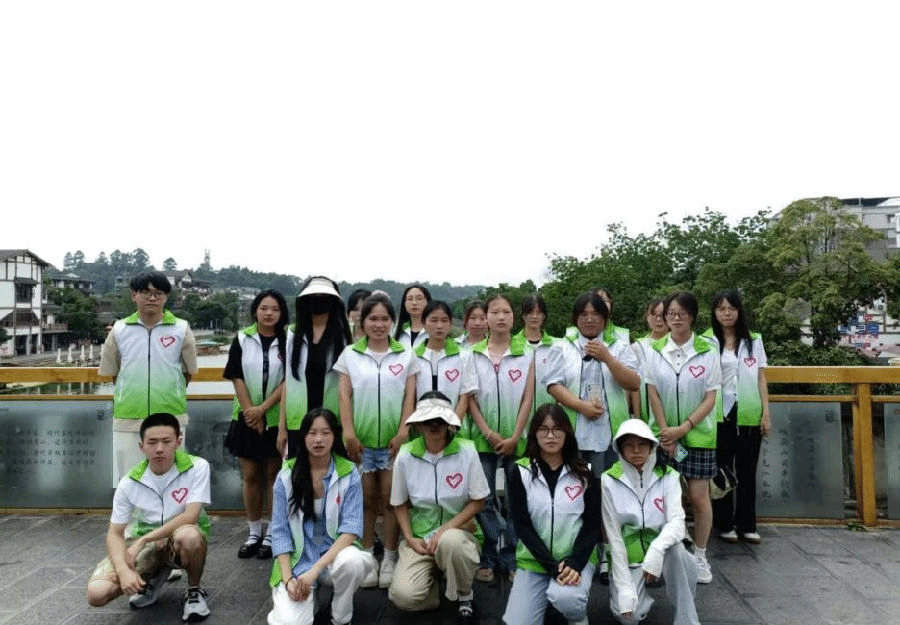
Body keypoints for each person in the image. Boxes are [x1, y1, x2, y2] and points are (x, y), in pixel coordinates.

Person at [86, 413, 212, 622]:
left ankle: (194, 591)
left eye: (166, 441)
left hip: (178, 539)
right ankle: (153, 578)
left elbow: (190, 516)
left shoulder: (197, 467)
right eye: (152, 442)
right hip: (146, 545)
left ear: (178, 442)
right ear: (141, 446)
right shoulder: (129, 482)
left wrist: (145, 539)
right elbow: (115, 533)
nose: (159, 448)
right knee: (97, 594)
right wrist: (123, 571)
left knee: (189, 536)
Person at [335, 293, 418, 588]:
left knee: (392, 500)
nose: (379, 324)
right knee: (366, 501)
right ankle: (368, 555)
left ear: (392, 321)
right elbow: (344, 396)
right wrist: (348, 433)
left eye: (384, 319)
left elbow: (410, 396)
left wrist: (404, 430)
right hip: (362, 442)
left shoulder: (406, 354)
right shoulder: (350, 355)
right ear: (362, 321)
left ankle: (391, 557)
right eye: (373, 319)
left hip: (395, 442)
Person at [266, 408, 375, 625]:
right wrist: (288, 580)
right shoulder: (286, 475)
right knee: (290, 623)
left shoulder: (349, 472)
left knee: (353, 562)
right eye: (312, 433)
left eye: (326, 433)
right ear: (303, 436)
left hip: (332, 558)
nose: (318, 440)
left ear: (335, 437)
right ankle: (308, 598)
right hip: (299, 563)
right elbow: (279, 532)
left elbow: (352, 528)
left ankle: (341, 616)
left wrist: (315, 570)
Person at [389, 392, 489, 623]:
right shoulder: (405, 455)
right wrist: (410, 538)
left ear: (449, 423)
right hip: (420, 539)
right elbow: (399, 503)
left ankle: (464, 593)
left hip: (460, 532)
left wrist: (446, 529)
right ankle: (435, 585)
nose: (434, 426)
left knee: (451, 542)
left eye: (440, 420)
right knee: (403, 597)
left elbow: (479, 499)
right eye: (428, 421)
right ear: (419, 424)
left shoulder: (467, 451)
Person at [644, 291, 720, 584]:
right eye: (671, 314)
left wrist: (684, 428)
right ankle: (666, 554)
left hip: (698, 436)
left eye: (682, 313)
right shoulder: (655, 349)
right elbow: (652, 392)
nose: (676, 318)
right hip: (663, 437)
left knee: (699, 498)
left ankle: (700, 555)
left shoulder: (707, 350)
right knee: (665, 499)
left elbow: (710, 398)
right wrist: (666, 431)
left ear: (692, 316)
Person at [503, 404, 601, 625]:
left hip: (574, 560)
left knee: (567, 599)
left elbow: (592, 524)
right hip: (534, 562)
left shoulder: (585, 472)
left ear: (567, 433)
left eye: (557, 429)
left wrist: (575, 562)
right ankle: (546, 602)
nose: (550, 436)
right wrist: (551, 566)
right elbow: (521, 524)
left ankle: (577, 617)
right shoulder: (520, 471)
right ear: (534, 433)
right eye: (543, 429)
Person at [99, 271, 198, 487]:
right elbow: (114, 371)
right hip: (128, 415)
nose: (152, 298)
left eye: (158, 293)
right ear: (134, 295)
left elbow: (189, 370)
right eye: (145, 292)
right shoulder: (119, 329)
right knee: (128, 481)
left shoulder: (181, 328)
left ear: (166, 296)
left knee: (172, 481)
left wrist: (171, 391)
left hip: (170, 415)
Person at [602, 419, 700, 625]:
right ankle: (640, 598)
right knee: (628, 616)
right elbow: (614, 537)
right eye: (629, 445)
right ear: (620, 448)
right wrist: (626, 589)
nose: (636, 450)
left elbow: (677, 522)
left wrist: (656, 550)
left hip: (663, 554)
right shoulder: (609, 480)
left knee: (678, 551)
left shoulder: (669, 476)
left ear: (652, 446)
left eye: (642, 444)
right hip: (629, 559)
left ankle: (686, 619)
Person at [466, 293, 536, 582]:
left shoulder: (526, 353)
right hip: (482, 440)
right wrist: (487, 432)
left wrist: (515, 436)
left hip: (517, 440)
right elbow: (470, 398)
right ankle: (494, 552)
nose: (500, 317)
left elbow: (527, 398)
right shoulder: (473, 354)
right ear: (486, 318)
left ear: (513, 317)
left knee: (516, 501)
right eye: (494, 312)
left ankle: (509, 557)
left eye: (506, 311)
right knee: (483, 499)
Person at [223, 289, 288, 560]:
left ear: (282, 313)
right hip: (245, 416)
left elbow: (289, 380)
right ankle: (253, 532)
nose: (269, 313)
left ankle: (272, 532)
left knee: (274, 476)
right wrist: (251, 411)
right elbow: (236, 375)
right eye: (264, 308)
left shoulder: (288, 340)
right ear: (255, 311)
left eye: (275, 309)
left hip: (275, 417)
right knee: (250, 476)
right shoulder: (242, 338)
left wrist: (263, 410)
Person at [547, 291, 640, 477]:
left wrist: (608, 358)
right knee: (573, 483)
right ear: (575, 318)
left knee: (606, 484)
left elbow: (634, 383)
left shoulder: (619, 346)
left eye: (596, 314)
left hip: (610, 433)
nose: (590, 320)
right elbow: (553, 385)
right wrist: (582, 406)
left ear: (605, 318)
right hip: (572, 431)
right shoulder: (562, 346)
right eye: (583, 314)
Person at [703, 290, 770, 544]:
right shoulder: (706, 341)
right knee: (721, 470)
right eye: (721, 309)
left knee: (747, 471)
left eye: (731, 308)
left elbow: (761, 378)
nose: (727, 313)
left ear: (739, 311)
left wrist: (766, 413)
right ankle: (724, 524)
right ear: (715, 313)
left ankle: (747, 524)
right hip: (718, 414)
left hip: (749, 412)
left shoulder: (754, 341)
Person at [279, 277, 351, 459]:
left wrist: (349, 429)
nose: (318, 302)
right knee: (298, 473)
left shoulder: (344, 336)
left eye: (324, 297)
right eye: (313, 297)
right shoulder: (293, 334)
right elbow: (288, 383)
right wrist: (282, 428)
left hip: (333, 423)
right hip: (298, 423)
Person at [414, 300, 474, 421]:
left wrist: (453, 423)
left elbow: (465, 395)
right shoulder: (413, 356)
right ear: (423, 323)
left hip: (455, 424)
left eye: (444, 321)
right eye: (434, 320)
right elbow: (410, 396)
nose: (439, 326)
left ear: (450, 323)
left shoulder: (463, 356)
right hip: (420, 424)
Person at [514, 294, 559, 414]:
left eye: (538, 313)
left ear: (544, 316)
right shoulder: (511, 345)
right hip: (518, 414)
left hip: (549, 414)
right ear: (523, 315)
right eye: (530, 312)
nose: (534, 317)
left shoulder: (557, 346)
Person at [629, 297, 669, 429]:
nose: (658, 319)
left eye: (662, 315)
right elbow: (634, 386)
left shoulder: (679, 346)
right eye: (654, 315)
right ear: (647, 317)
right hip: (647, 419)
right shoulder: (638, 347)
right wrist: (637, 418)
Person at [394, 283, 432, 349]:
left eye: (419, 298)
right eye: (410, 299)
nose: (414, 303)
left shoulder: (434, 331)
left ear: (428, 301)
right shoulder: (396, 332)